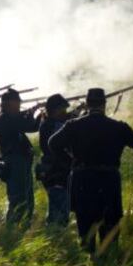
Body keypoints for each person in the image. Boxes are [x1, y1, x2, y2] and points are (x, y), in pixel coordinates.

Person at [49, 88, 133, 254]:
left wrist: (71, 161)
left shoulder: (73, 126)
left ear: (87, 103)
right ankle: (108, 260)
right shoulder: (117, 127)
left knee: (85, 224)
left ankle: (89, 262)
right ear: (104, 104)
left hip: (83, 180)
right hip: (108, 180)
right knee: (109, 223)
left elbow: (53, 143)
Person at [0, 88, 40, 226]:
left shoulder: (13, 118)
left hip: (22, 160)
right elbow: (23, 124)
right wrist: (30, 114)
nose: (19, 104)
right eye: (17, 102)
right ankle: (14, 226)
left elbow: (32, 127)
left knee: (27, 195)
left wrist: (36, 116)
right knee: (18, 198)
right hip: (14, 161)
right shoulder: (4, 118)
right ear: (8, 103)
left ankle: (24, 225)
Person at [37, 94, 74, 227]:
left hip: (58, 171)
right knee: (58, 213)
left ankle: (56, 236)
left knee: (61, 209)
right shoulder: (50, 125)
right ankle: (55, 238)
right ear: (55, 110)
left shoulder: (50, 123)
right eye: (62, 110)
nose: (65, 112)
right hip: (55, 171)